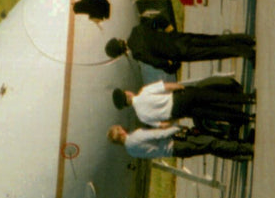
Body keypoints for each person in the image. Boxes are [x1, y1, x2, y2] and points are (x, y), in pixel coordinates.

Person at [105, 20, 256, 75]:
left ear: (121, 52)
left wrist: (172, 66)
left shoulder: (138, 53)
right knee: (212, 39)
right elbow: (159, 19)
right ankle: (246, 39)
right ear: (119, 39)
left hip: (180, 52)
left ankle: (246, 52)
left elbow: (159, 63)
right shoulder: (136, 30)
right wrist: (172, 31)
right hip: (180, 37)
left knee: (213, 52)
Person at [112, 75, 255, 131]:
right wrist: (182, 88)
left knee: (214, 113)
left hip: (179, 111)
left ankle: (246, 119)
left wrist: (176, 117)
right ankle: (248, 98)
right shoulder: (144, 91)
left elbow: (163, 125)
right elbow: (166, 86)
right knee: (215, 97)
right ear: (127, 93)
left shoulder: (142, 116)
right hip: (180, 97)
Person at [108, 124, 254, 162]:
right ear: (121, 132)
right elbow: (159, 134)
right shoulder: (136, 135)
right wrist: (176, 128)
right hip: (175, 143)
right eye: (120, 128)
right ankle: (246, 148)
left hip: (173, 152)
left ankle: (240, 155)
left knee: (209, 148)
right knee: (211, 143)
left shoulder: (130, 151)